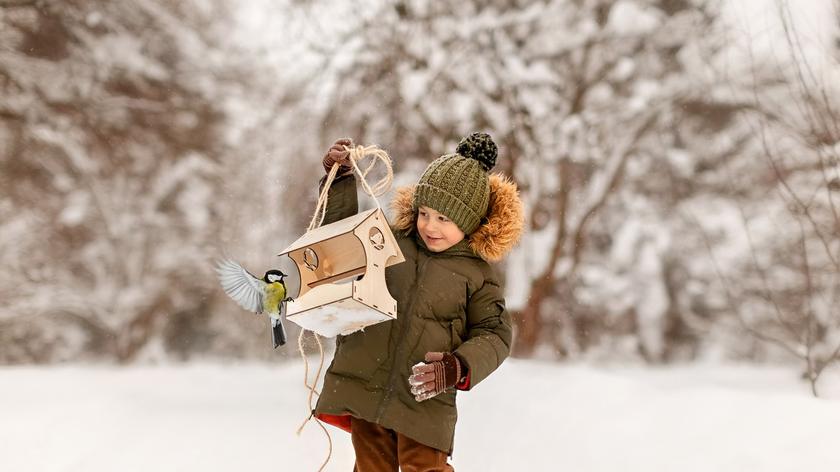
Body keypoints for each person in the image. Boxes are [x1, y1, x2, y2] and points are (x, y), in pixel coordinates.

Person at [313, 132, 524, 471]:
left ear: (469, 222)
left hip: (424, 399)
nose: (430, 226)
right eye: (424, 213)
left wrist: (457, 366)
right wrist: (339, 179)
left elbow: (495, 334)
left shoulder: (476, 275)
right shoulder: (390, 241)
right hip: (367, 383)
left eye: (444, 218)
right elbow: (339, 244)